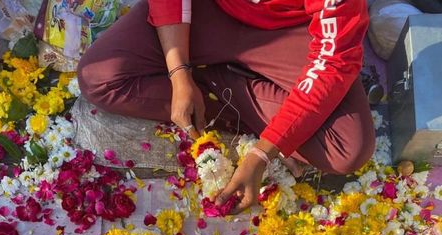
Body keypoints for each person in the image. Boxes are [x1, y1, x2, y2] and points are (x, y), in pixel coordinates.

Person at [78, 0, 375, 213]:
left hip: (290, 29)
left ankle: (223, 80)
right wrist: (180, 75)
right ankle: (221, 84)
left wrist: (262, 152)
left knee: (345, 150)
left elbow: (333, 62)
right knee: (99, 79)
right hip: (209, 12)